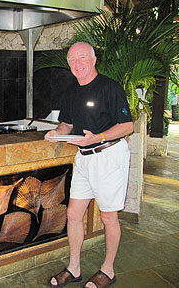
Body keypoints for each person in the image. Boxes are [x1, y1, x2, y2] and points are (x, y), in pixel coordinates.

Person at [45, 42, 133, 288]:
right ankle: (74, 269)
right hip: (84, 157)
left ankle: (108, 270)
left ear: (94, 59)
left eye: (82, 57)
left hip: (109, 155)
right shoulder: (71, 92)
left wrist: (98, 137)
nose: (77, 63)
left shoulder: (110, 88)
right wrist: (56, 132)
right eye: (72, 59)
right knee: (73, 214)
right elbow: (66, 124)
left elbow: (128, 126)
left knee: (108, 216)